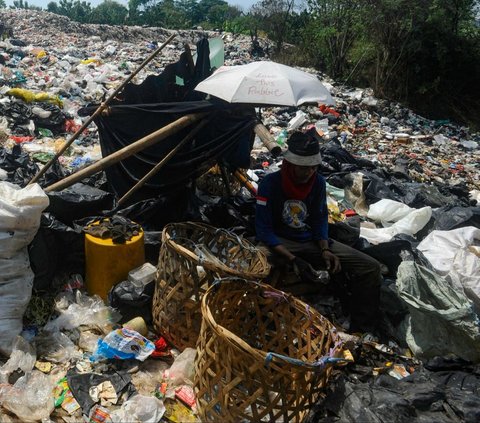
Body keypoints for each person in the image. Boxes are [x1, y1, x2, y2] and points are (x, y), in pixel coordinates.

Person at [255, 130, 382, 333]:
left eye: (313, 167)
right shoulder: (270, 184)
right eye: (303, 167)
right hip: (278, 241)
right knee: (256, 264)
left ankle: (362, 330)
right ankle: (260, 322)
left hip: (309, 241)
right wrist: (293, 259)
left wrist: (324, 248)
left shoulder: (318, 183)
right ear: (290, 164)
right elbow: (263, 229)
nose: (309, 172)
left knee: (369, 267)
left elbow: (319, 217)